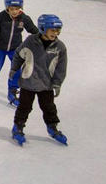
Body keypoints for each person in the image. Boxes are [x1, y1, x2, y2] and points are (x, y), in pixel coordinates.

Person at [10, 14, 68, 146]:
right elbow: (19, 54)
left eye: (58, 30)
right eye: (53, 30)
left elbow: (61, 68)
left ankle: (52, 127)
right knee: (24, 107)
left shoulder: (60, 47)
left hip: (46, 84)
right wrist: (14, 68)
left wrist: (57, 83)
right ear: (43, 28)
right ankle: (18, 127)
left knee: (49, 107)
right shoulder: (31, 41)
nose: (56, 33)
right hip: (28, 81)